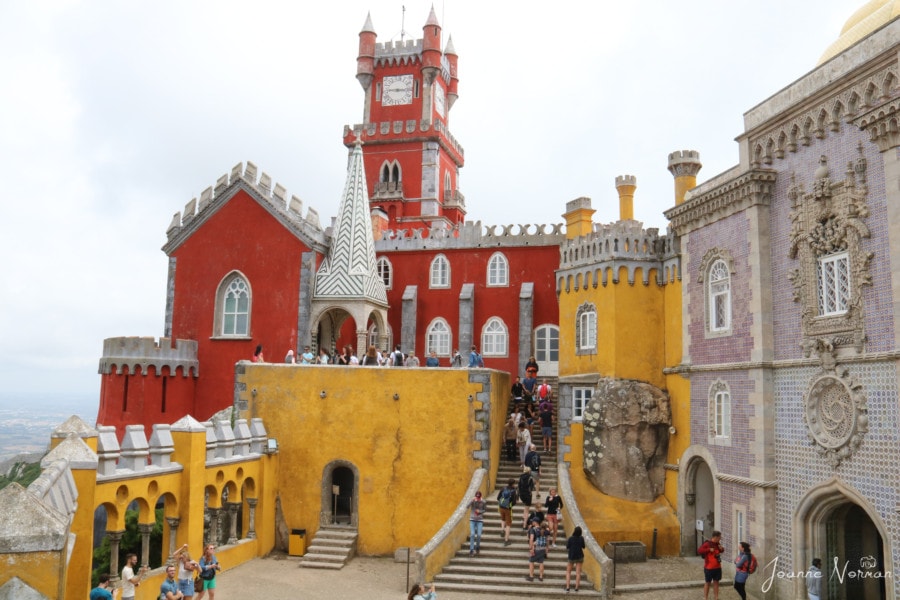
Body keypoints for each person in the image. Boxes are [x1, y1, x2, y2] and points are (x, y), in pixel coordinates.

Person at [698, 530, 723, 600]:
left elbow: (721, 551)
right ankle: (705, 597)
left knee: (716, 583)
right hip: (709, 567)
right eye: (719, 537)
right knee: (707, 582)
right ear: (715, 537)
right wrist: (709, 549)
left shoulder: (717, 544)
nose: (720, 538)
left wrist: (722, 549)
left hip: (717, 567)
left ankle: (716, 597)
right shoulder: (707, 544)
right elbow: (699, 550)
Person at [496, 478, 518, 547]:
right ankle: (506, 540)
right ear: (513, 484)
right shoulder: (513, 491)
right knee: (508, 524)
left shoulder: (503, 488)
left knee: (503, 519)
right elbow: (514, 502)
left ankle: (502, 529)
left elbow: (498, 498)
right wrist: (511, 504)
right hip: (508, 508)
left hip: (501, 507)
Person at [565, 526, 586, 592]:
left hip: (571, 556)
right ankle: (576, 587)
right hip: (580, 556)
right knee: (578, 573)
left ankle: (568, 587)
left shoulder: (571, 538)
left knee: (568, 572)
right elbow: (583, 546)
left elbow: (567, 547)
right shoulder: (581, 538)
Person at [467, 490, 486, 555]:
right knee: (472, 534)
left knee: (479, 535)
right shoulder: (473, 501)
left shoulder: (483, 502)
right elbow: (467, 506)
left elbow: (485, 509)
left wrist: (480, 512)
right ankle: (471, 549)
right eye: (476, 497)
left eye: (478, 497)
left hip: (479, 520)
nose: (477, 499)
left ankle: (477, 547)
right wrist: (471, 501)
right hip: (472, 519)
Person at [518, 465, 535, 529]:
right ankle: (524, 525)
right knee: (527, 510)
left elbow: (519, 485)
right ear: (529, 471)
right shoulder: (530, 477)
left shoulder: (521, 477)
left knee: (525, 508)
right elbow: (531, 487)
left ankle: (523, 520)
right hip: (527, 494)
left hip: (522, 494)